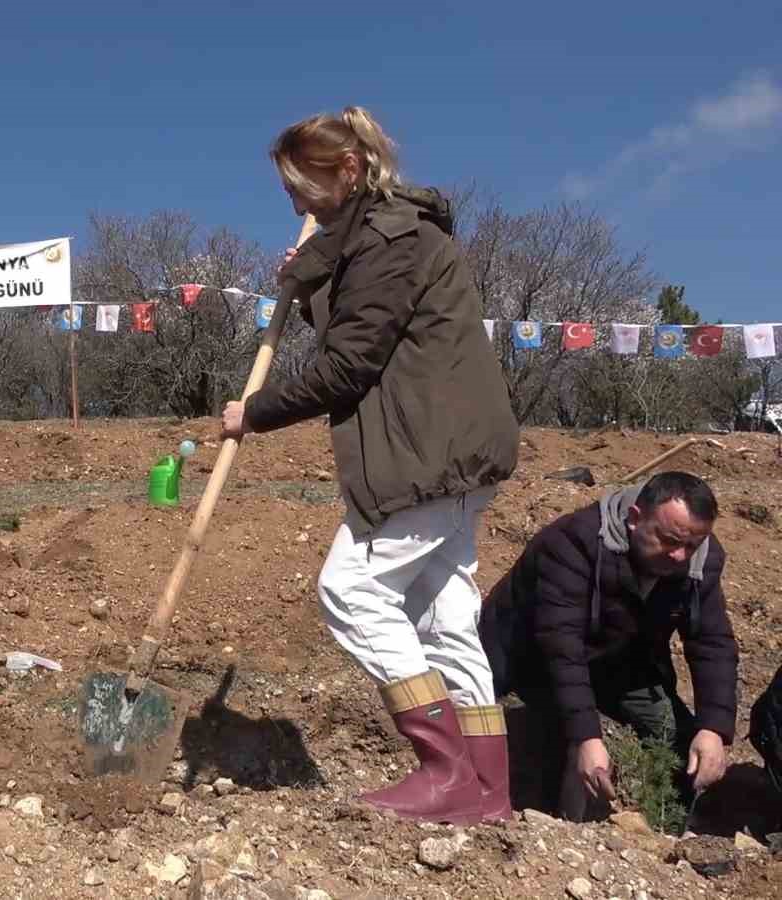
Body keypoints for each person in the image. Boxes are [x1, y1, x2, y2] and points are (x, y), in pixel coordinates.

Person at [220, 107, 519, 824]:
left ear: (347, 171)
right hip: (458, 450)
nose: (294, 203)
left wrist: (252, 414)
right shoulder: (383, 234)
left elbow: (349, 363)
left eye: (302, 187)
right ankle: (487, 790)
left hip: (427, 451)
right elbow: (347, 280)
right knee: (446, 616)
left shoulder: (390, 240)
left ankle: (444, 771)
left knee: (350, 591)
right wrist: (306, 270)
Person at [480, 472, 736, 820]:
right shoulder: (572, 545)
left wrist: (714, 728)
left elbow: (711, 642)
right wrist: (586, 736)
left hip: (619, 661)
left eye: (691, 545)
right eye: (669, 540)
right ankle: (563, 833)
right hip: (528, 658)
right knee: (562, 741)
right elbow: (561, 647)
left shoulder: (699, 562)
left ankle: (671, 837)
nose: (679, 556)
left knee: (680, 741)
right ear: (634, 518)